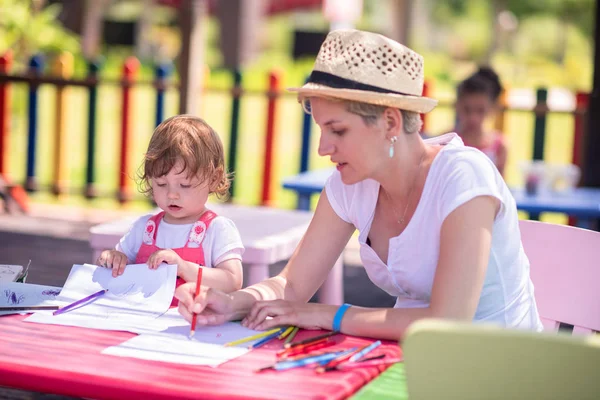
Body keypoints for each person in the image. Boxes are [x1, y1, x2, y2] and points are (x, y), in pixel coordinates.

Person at [175, 29, 542, 340]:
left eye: (337, 130)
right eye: (321, 129)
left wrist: (324, 315)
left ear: (390, 122)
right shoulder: (351, 183)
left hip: (503, 373)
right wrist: (234, 302)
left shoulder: (464, 175)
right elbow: (291, 285)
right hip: (418, 365)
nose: (322, 148)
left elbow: (448, 322)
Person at [97, 115, 244, 306]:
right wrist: (113, 259)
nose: (172, 194)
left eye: (185, 185)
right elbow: (120, 266)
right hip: (140, 320)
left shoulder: (217, 229)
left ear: (214, 179)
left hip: (190, 324)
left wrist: (183, 268)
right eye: (161, 183)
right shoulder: (145, 229)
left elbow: (233, 282)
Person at [451, 67, 508, 176]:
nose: (473, 118)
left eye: (480, 110)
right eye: (467, 110)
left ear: (493, 108)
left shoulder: (500, 146)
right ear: (457, 106)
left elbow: (501, 188)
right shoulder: (447, 142)